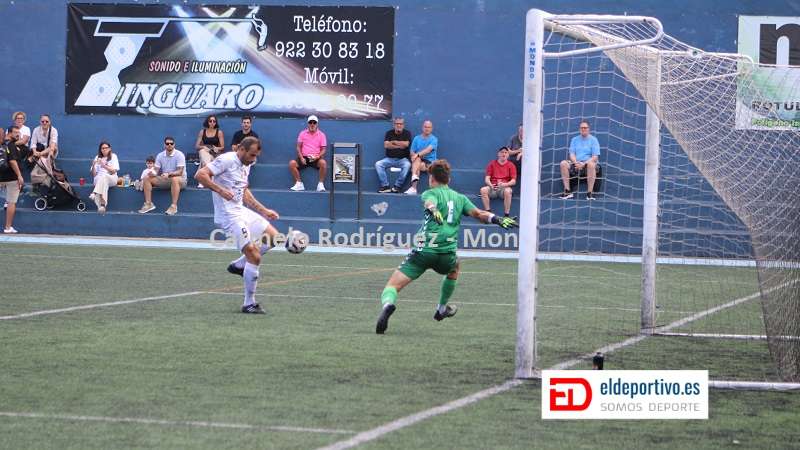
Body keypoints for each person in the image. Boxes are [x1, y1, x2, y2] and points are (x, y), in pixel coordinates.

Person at [375, 159, 519, 334]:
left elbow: (429, 203)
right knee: (455, 266)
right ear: (449, 179)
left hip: (424, 250)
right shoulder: (460, 198)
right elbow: (479, 214)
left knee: (392, 286)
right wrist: (498, 219)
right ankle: (441, 308)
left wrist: (434, 210)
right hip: (446, 254)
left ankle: (388, 305)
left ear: (431, 179)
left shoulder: (429, 193)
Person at [194, 137, 281, 314]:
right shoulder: (226, 160)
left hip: (240, 210)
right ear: (241, 149)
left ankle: (240, 265)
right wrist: (221, 190)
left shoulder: (246, 164)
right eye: (251, 155)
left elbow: (243, 190)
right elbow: (200, 175)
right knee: (254, 256)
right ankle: (249, 303)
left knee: (274, 238)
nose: (253, 159)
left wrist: (263, 210)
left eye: (256, 156)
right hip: (228, 215)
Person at [138, 136, 187, 215]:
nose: (169, 145)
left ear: (174, 144)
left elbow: (180, 172)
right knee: (146, 178)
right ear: (164, 145)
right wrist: (152, 173)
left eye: (171, 143)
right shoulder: (160, 155)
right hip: (166, 179)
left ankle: (174, 206)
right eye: (167, 143)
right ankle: (148, 204)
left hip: (180, 180)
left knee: (175, 179)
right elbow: (156, 170)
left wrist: (169, 174)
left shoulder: (179, 155)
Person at [559, 120, 600, 200]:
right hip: (576, 163)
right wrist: (576, 163)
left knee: (591, 164)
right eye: (581, 128)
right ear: (579, 129)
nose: (583, 129)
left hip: (588, 163)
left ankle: (589, 193)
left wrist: (584, 163)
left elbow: (595, 157)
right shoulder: (574, 139)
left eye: (585, 127)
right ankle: (568, 191)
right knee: (563, 163)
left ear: (589, 129)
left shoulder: (594, 140)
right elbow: (572, 154)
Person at [289, 115, 327, 192]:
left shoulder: (322, 135)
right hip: (304, 157)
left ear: (317, 124)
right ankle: (299, 183)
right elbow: (298, 147)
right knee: (292, 163)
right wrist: (301, 158)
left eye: (314, 122)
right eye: (310, 122)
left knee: (323, 163)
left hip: (316, 158)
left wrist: (317, 157)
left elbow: (323, 149)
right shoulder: (302, 133)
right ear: (308, 124)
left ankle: (320, 184)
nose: (312, 124)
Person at [375, 117, 412, 193]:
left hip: (402, 159)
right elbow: (386, 145)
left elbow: (406, 144)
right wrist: (400, 145)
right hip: (389, 159)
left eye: (401, 124)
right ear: (394, 124)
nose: (399, 125)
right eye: (397, 123)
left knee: (407, 165)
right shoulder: (389, 133)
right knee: (378, 164)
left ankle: (397, 186)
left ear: (403, 125)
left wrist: (394, 142)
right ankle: (385, 186)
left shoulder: (407, 133)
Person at [479, 147, 517, 216]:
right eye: (502, 152)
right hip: (493, 187)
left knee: (508, 191)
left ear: (508, 155)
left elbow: (513, 181)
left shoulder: (511, 165)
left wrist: (505, 184)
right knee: (483, 190)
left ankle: (506, 215)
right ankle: (488, 213)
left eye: (506, 152)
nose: (504, 154)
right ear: (498, 154)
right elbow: (487, 179)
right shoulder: (492, 164)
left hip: (504, 188)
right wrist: (490, 185)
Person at [404, 120, 438, 195]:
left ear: (431, 129)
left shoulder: (434, 139)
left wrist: (417, 155)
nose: (427, 129)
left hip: (429, 162)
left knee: (418, 163)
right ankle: (414, 177)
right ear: (422, 128)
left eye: (429, 127)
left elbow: (428, 150)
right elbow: (412, 151)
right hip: (418, 161)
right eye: (425, 127)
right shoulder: (417, 138)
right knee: (418, 161)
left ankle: (413, 187)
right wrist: (415, 156)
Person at [1, 127, 24, 233]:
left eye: (19, 132)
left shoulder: (3, 144)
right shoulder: (11, 145)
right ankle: (8, 228)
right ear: (9, 133)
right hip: (12, 178)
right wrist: (19, 175)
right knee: (11, 202)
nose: (18, 134)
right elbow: (12, 161)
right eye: (15, 132)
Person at [88, 141, 119, 214]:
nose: (104, 149)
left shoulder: (113, 156)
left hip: (112, 177)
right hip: (99, 179)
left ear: (109, 149)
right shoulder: (97, 157)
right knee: (103, 179)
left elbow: (114, 171)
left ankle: (94, 193)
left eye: (106, 148)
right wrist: (93, 165)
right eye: (102, 148)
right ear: (100, 150)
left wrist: (103, 165)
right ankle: (102, 205)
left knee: (104, 177)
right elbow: (94, 174)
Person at [195, 115, 225, 188]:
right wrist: (204, 147)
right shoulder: (202, 132)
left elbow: (222, 147)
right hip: (205, 151)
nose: (212, 123)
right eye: (210, 121)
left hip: (214, 153)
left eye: (214, 121)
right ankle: (209, 178)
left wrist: (217, 148)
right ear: (207, 122)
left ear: (216, 123)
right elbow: (197, 146)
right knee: (203, 153)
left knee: (204, 162)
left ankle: (202, 181)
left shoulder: (219, 132)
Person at [29, 114, 58, 187]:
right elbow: (33, 143)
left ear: (50, 122)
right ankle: (39, 182)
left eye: (46, 121)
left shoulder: (53, 130)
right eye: (43, 121)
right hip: (39, 150)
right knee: (40, 164)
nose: (44, 123)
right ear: (40, 122)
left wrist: (40, 153)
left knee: (53, 149)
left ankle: (43, 182)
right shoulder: (36, 129)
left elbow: (52, 146)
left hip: (49, 151)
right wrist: (34, 152)